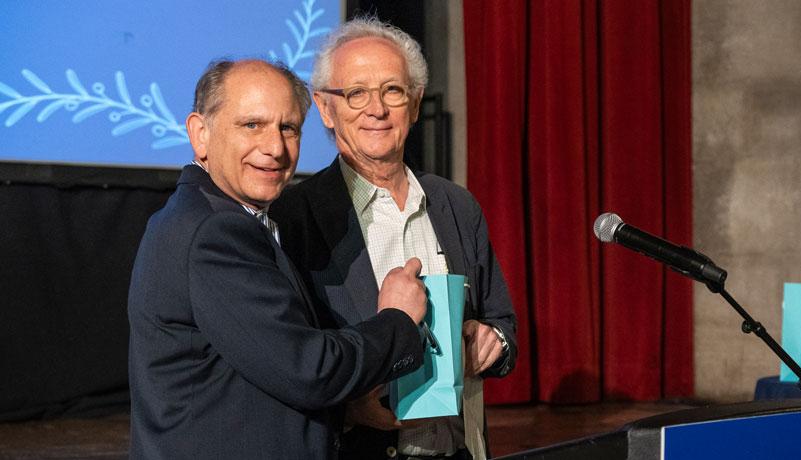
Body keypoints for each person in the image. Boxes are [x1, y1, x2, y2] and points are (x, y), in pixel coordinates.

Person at [127, 59, 430, 460]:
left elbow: (257, 374)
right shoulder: (214, 233)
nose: (274, 147)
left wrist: (344, 411)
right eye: (252, 125)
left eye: (288, 128)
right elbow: (310, 369)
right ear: (200, 134)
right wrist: (398, 320)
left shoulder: (211, 217)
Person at [270, 18, 518, 460]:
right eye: (356, 93)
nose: (376, 109)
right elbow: (280, 360)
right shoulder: (294, 218)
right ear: (325, 109)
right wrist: (346, 409)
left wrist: (491, 341)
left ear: (416, 103)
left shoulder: (457, 206)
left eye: (392, 91)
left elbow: (504, 325)